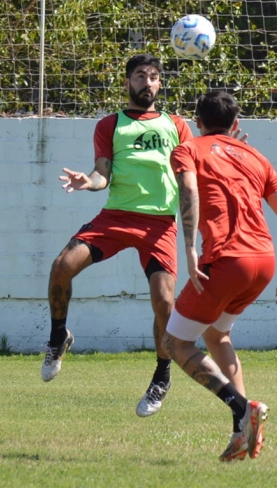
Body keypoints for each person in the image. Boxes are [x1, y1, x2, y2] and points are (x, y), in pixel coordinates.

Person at [42, 54, 194, 418]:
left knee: (164, 303)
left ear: (160, 84)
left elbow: (191, 174)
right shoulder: (110, 125)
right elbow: (102, 175)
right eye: (141, 75)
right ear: (127, 83)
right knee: (62, 266)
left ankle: (162, 375)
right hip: (115, 217)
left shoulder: (177, 125)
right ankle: (58, 336)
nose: (148, 82)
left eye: (154, 76)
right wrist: (87, 182)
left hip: (159, 224)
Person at [164, 90, 277, 461]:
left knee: (175, 343)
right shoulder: (256, 156)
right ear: (236, 124)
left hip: (227, 261)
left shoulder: (189, 148)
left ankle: (242, 408)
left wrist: (191, 247)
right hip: (264, 261)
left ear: (197, 122)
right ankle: (242, 433)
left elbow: (189, 191)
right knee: (217, 333)